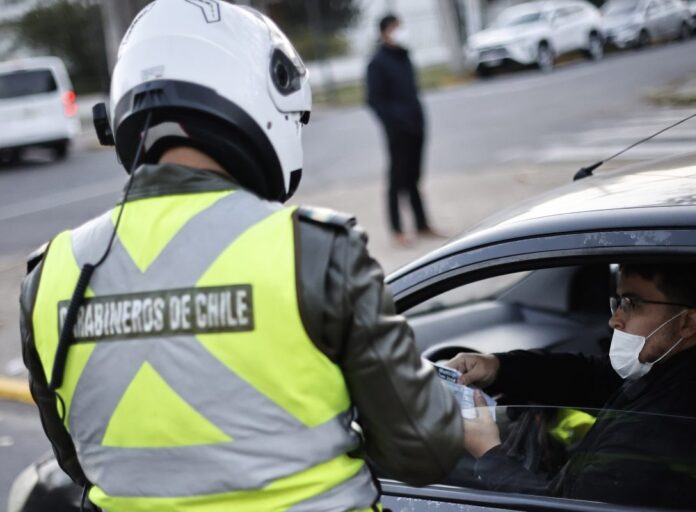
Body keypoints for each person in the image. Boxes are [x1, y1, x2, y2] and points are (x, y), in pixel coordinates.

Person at [18, 2, 462, 511]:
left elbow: (78, 459)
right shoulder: (314, 250)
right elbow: (424, 451)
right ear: (258, 97)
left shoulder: (50, 276)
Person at [447, 262, 696, 508]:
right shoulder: (695, 364)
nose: (614, 320)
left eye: (631, 304)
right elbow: (592, 376)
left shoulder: (659, 430)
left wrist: (487, 451)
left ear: (687, 324)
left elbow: (562, 506)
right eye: (617, 302)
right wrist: (500, 367)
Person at [366, 14, 440, 246]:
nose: (399, 32)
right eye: (393, 28)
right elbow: (374, 100)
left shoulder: (404, 56)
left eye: (400, 27)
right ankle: (397, 229)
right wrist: (395, 121)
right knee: (397, 179)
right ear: (383, 33)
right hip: (397, 130)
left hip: (416, 125)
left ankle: (422, 224)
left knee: (414, 178)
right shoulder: (377, 62)